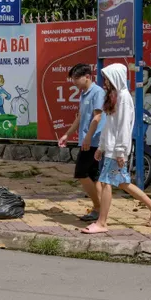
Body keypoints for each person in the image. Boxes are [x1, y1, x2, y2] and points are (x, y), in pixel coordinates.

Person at [82, 63, 151, 234]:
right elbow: (109, 127)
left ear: (116, 79)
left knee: (106, 183)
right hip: (111, 149)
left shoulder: (124, 98)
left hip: (117, 150)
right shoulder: (114, 97)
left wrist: (120, 152)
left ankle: (102, 222)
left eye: (107, 79)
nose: (104, 82)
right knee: (123, 183)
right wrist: (101, 147)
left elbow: (124, 128)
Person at [58, 64, 106, 222]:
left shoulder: (97, 92)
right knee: (93, 176)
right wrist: (67, 134)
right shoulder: (84, 93)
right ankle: (99, 209)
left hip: (94, 140)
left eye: (77, 78)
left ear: (88, 76)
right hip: (87, 140)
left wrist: (88, 137)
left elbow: (97, 117)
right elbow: (80, 118)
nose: (74, 82)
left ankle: (99, 207)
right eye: (73, 79)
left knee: (81, 172)